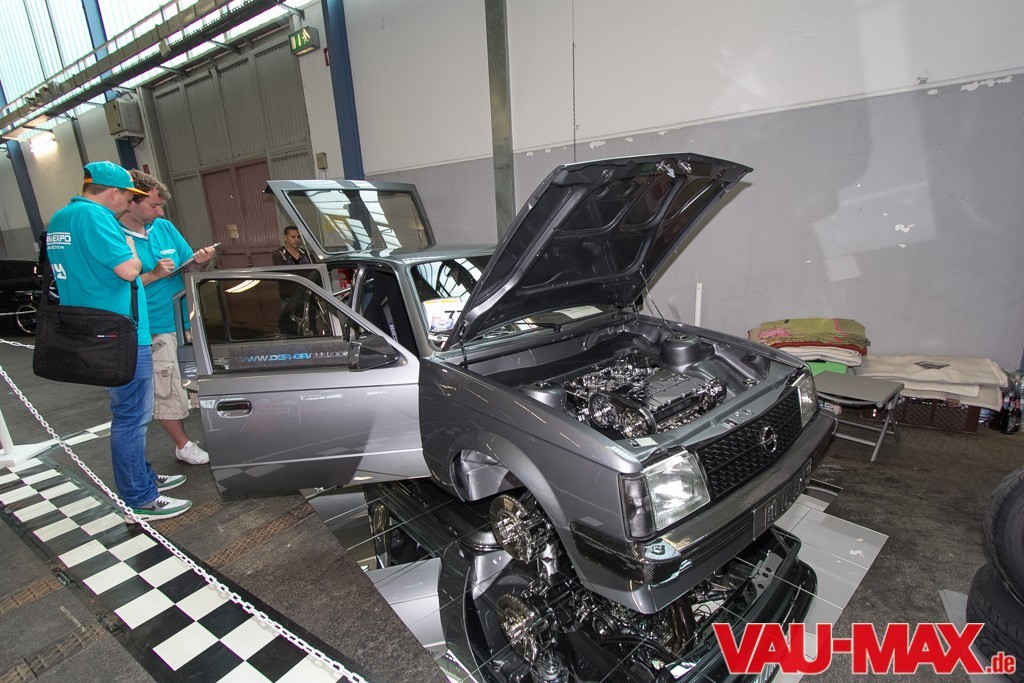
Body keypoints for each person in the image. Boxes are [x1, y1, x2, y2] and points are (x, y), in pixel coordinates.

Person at [46, 161, 191, 521]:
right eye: (127, 196)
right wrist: (135, 252)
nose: (127, 204)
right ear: (113, 192)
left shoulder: (62, 217)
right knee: (132, 417)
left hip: (95, 328)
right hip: (120, 332)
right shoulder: (95, 217)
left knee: (128, 412)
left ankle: (142, 477)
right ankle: (139, 497)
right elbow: (128, 269)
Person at [122, 170, 215, 466]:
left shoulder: (164, 227)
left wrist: (200, 261)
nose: (159, 212)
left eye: (161, 206)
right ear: (131, 202)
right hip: (154, 327)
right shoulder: (117, 236)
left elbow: (190, 270)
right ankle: (182, 445)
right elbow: (120, 286)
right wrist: (153, 275)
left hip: (186, 320)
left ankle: (213, 434)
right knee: (168, 389)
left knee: (200, 380)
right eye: (153, 206)